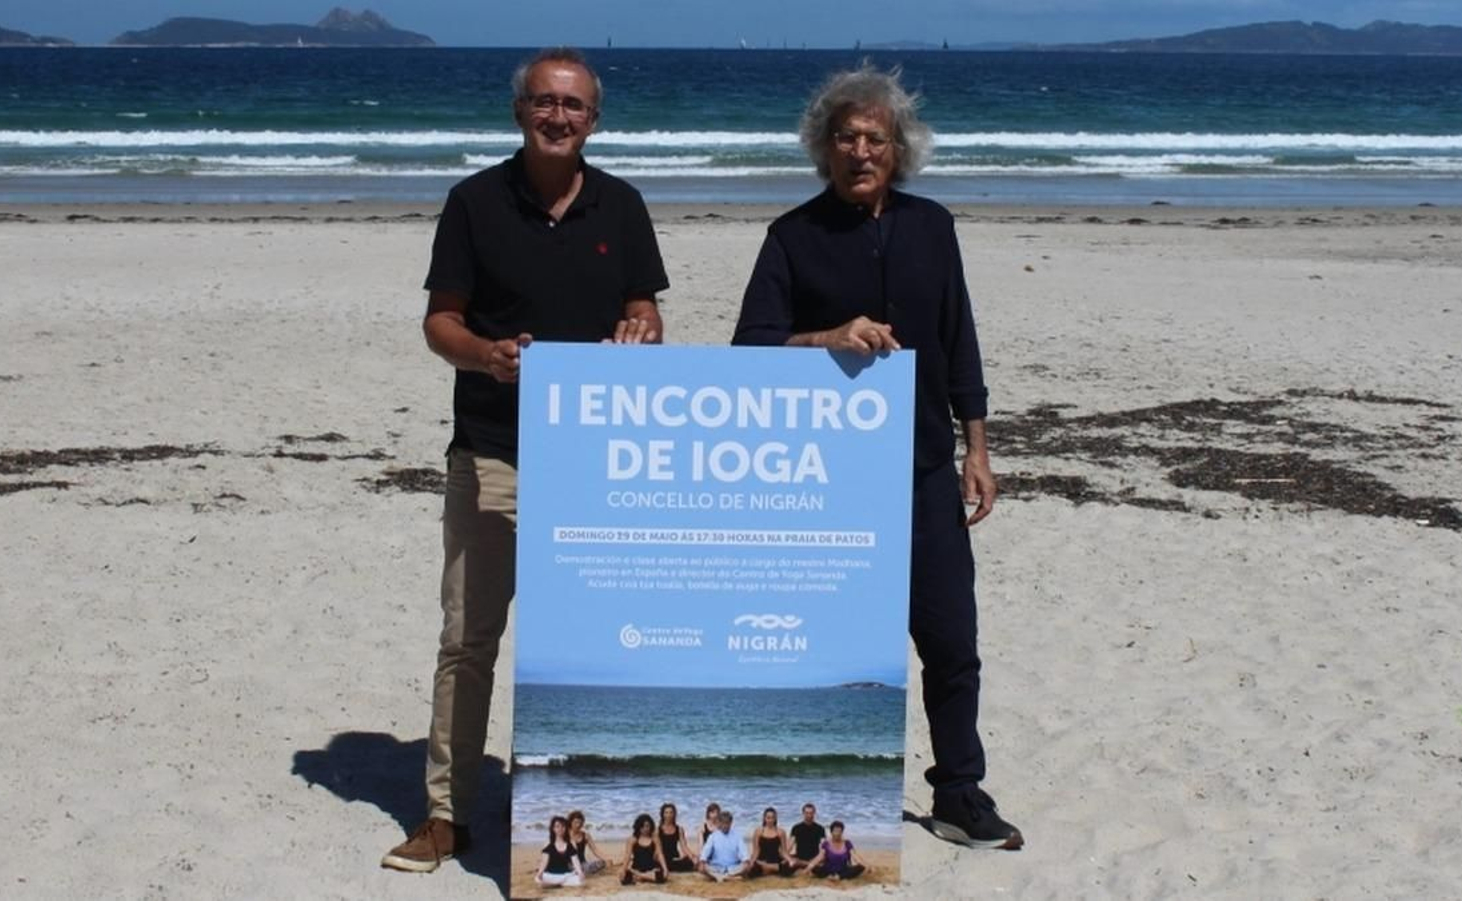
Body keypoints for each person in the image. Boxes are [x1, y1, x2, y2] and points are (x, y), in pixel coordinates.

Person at [380, 46, 669, 873]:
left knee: (594, 640)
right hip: (494, 450)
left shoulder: (622, 205)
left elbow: (644, 311)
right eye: (544, 102)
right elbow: (441, 321)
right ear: (519, 112)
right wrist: (486, 355)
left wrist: (640, 334)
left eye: (574, 106)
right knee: (470, 636)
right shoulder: (474, 202)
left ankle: (598, 813)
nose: (558, 116)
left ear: (594, 120)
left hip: (598, 462)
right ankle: (444, 815)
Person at [731, 65, 1022, 851]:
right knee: (832, 651)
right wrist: (823, 339)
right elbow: (749, 350)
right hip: (827, 483)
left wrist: (978, 447)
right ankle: (819, 799)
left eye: (877, 139)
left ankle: (959, 792)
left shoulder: (934, 227)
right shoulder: (791, 237)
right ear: (824, 148)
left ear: (899, 150)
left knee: (951, 639)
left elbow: (960, 340)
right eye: (847, 138)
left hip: (925, 469)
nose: (862, 151)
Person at [697, 810, 750, 882]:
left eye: (727, 823)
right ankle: (726, 877)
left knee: (747, 867)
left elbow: (743, 850)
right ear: (719, 823)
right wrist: (702, 860)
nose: (725, 825)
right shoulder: (713, 836)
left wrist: (746, 860)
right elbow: (706, 850)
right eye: (723, 823)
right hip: (716, 867)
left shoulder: (737, 836)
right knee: (701, 867)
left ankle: (722, 877)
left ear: (731, 823)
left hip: (733, 867)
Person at [534, 815, 586, 888]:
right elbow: (544, 862)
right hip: (551, 875)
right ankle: (559, 884)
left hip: (566, 875)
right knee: (539, 880)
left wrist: (580, 872)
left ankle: (557, 884)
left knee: (581, 882)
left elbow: (575, 861)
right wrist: (540, 872)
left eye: (563, 826)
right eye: (557, 826)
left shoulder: (570, 845)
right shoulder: (548, 844)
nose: (560, 829)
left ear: (566, 828)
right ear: (553, 829)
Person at [619, 813, 670, 885]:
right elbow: (627, 856)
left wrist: (665, 868)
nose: (645, 829)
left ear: (651, 826)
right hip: (637, 867)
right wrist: (623, 869)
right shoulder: (632, 839)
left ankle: (640, 876)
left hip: (651, 869)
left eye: (647, 826)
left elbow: (660, 854)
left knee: (663, 876)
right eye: (642, 826)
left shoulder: (655, 838)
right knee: (624, 879)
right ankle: (646, 877)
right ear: (638, 827)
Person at [746, 806, 794, 877]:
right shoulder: (758, 831)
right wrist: (752, 861)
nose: (770, 820)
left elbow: (784, 851)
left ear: (775, 819)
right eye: (768, 818)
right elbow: (756, 851)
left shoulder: (780, 832)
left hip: (775, 861)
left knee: (788, 869)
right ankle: (770, 869)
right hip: (762, 861)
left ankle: (768, 869)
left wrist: (790, 860)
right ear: (764, 818)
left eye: (772, 818)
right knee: (752, 871)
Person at [656, 801, 698, 872]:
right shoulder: (658, 830)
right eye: (666, 813)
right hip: (662, 858)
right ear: (662, 815)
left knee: (690, 862)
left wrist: (692, 857)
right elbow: (658, 849)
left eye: (671, 812)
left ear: (674, 814)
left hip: (675, 858)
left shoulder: (679, 829)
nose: (669, 815)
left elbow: (684, 847)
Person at [567, 809, 611, 875]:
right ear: (570, 822)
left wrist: (606, 859)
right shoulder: (565, 835)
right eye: (575, 822)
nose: (578, 825)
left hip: (583, 864)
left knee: (601, 863)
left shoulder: (586, 835)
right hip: (569, 865)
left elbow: (595, 850)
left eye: (580, 823)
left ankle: (580, 872)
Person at [788, 802, 825, 871]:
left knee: (824, 857)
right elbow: (790, 844)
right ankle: (809, 864)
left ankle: (809, 864)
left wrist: (820, 857)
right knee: (789, 859)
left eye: (811, 813)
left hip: (814, 858)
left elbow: (823, 847)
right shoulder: (796, 828)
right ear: (803, 813)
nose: (809, 815)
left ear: (814, 813)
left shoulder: (820, 828)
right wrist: (786, 856)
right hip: (800, 857)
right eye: (807, 813)